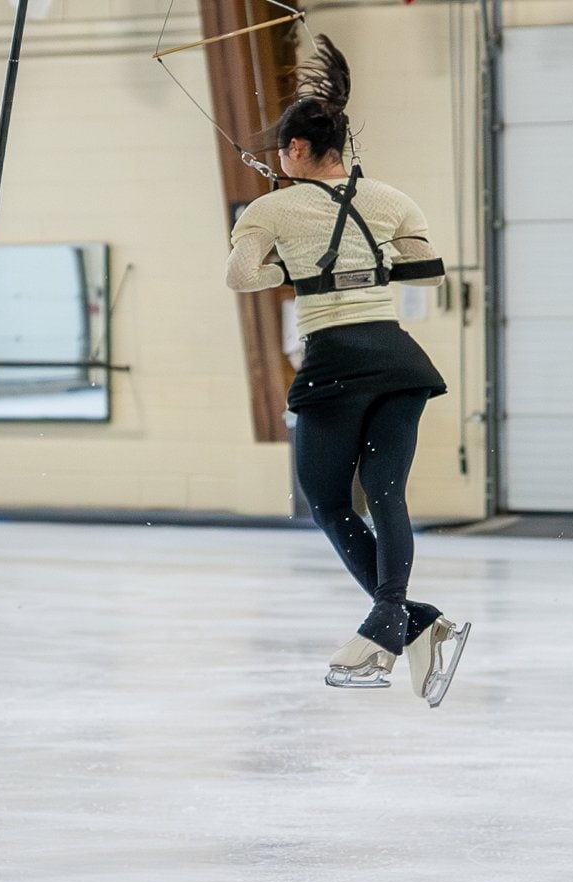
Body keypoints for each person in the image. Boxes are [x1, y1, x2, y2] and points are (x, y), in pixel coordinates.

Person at [225, 36, 469, 706]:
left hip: (334, 360)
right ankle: (414, 624)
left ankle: (399, 621)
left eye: (282, 150)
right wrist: (363, 268)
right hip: (398, 360)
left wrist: (299, 267)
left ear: (297, 151)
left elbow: (240, 276)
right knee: (386, 491)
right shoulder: (393, 199)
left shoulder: (271, 207)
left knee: (330, 502)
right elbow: (426, 270)